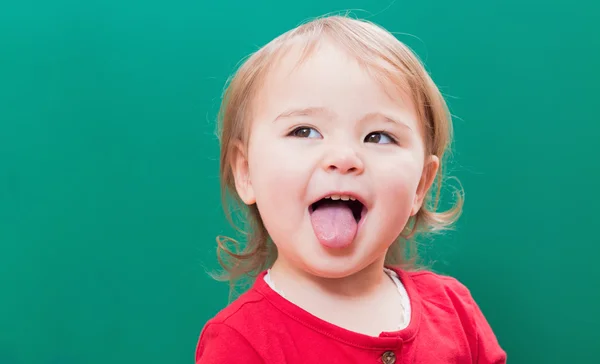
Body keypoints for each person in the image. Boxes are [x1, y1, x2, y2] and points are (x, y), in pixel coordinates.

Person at [196, 14, 507, 363]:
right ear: (246, 171)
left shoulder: (454, 310)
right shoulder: (241, 342)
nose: (344, 158)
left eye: (379, 136)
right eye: (304, 131)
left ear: (421, 184)